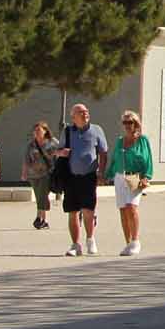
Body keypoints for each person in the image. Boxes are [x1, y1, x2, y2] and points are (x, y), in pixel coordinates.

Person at [57, 102, 110, 256]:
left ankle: (90, 239)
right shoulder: (67, 132)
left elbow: (103, 153)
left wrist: (101, 172)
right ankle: (75, 245)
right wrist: (62, 153)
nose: (85, 113)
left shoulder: (97, 130)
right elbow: (57, 151)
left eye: (86, 111)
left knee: (88, 209)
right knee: (72, 211)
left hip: (89, 176)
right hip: (71, 176)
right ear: (73, 117)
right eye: (81, 112)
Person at [108, 111, 153, 256]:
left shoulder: (142, 140)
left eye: (130, 122)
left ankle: (135, 241)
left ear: (136, 124)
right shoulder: (120, 140)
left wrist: (147, 176)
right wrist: (107, 174)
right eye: (125, 123)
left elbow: (148, 160)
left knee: (131, 207)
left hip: (135, 177)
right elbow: (114, 159)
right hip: (120, 177)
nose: (127, 125)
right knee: (123, 209)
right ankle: (128, 243)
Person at [26, 121, 58, 231]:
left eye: (39, 130)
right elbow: (26, 159)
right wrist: (24, 172)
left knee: (42, 195)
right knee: (39, 195)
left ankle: (39, 217)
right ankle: (44, 220)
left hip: (46, 173)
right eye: (35, 131)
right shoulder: (31, 144)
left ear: (45, 131)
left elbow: (60, 155)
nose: (37, 132)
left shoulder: (52, 142)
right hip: (33, 175)